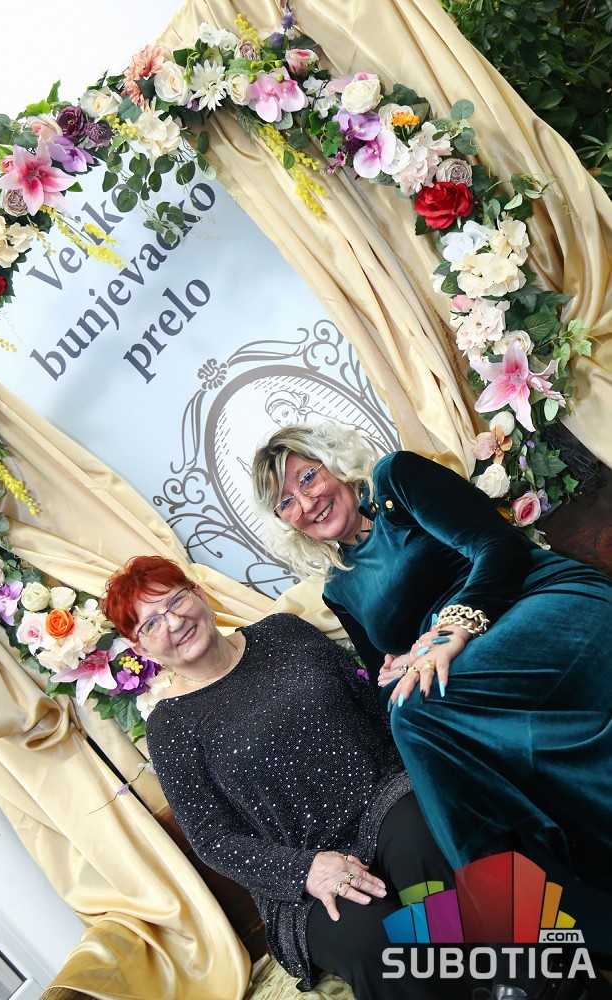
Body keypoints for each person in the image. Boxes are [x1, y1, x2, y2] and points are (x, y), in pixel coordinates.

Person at [250, 423, 612, 925]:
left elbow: (496, 546)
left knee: (417, 712)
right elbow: (384, 683)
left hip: (540, 602)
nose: (307, 503)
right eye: (286, 502)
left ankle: (510, 913)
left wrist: (450, 628)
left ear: (333, 462)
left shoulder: (396, 478)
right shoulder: (339, 587)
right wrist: (393, 671)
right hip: (465, 665)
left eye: (307, 477)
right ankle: (541, 904)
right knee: (409, 710)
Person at [100, 555, 462, 1000]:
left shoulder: (283, 632)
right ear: (141, 649)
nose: (174, 623)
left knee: (426, 853)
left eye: (176, 601)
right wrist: (306, 869)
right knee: (376, 941)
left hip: (382, 801)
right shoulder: (170, 727)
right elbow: (213, 839)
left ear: (200, 594)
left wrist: (395, 687)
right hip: (299, 872)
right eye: (151, 624)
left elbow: (367, 701)